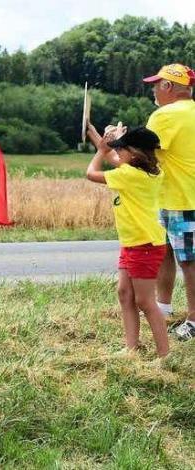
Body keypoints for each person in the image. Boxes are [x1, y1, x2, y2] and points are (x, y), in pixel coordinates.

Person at [86, 125, 169, 358]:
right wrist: (95, 135)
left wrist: (99, 152)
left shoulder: (130, 175)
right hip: (135, 242)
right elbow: (114, 156)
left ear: (134, 153)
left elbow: (91, 173)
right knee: (125, 293)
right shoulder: (149, 171)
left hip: (144, 245)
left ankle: (164, 355)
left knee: (145, 301)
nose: (117, 152)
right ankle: (131, 348)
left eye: (122, 148)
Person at [141, 63, 195, 341]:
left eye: (156, 84)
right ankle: (162, 307)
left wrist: (112, 144)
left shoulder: (165, 114)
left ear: (169, 87)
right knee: (167, 253)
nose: (153, 89)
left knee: (189, 262)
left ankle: (194, 321)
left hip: (179, 199)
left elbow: (144, 152)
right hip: (177, 196)